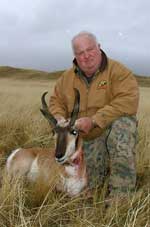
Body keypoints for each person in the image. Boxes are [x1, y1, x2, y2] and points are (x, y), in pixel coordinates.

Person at [49, 31, 139, 199]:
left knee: (123, 125)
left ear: (99, 47)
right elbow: (56, 101)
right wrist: (59, 118)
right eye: (80, 53)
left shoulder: (118, 71)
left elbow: (128, 100)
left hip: (109, 130)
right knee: (94, 187)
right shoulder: (66, 78)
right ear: (75, 56)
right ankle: (98, 185)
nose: (86, 56)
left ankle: (121, 197)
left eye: (90, 49)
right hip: (85, 138)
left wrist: (95, 120)